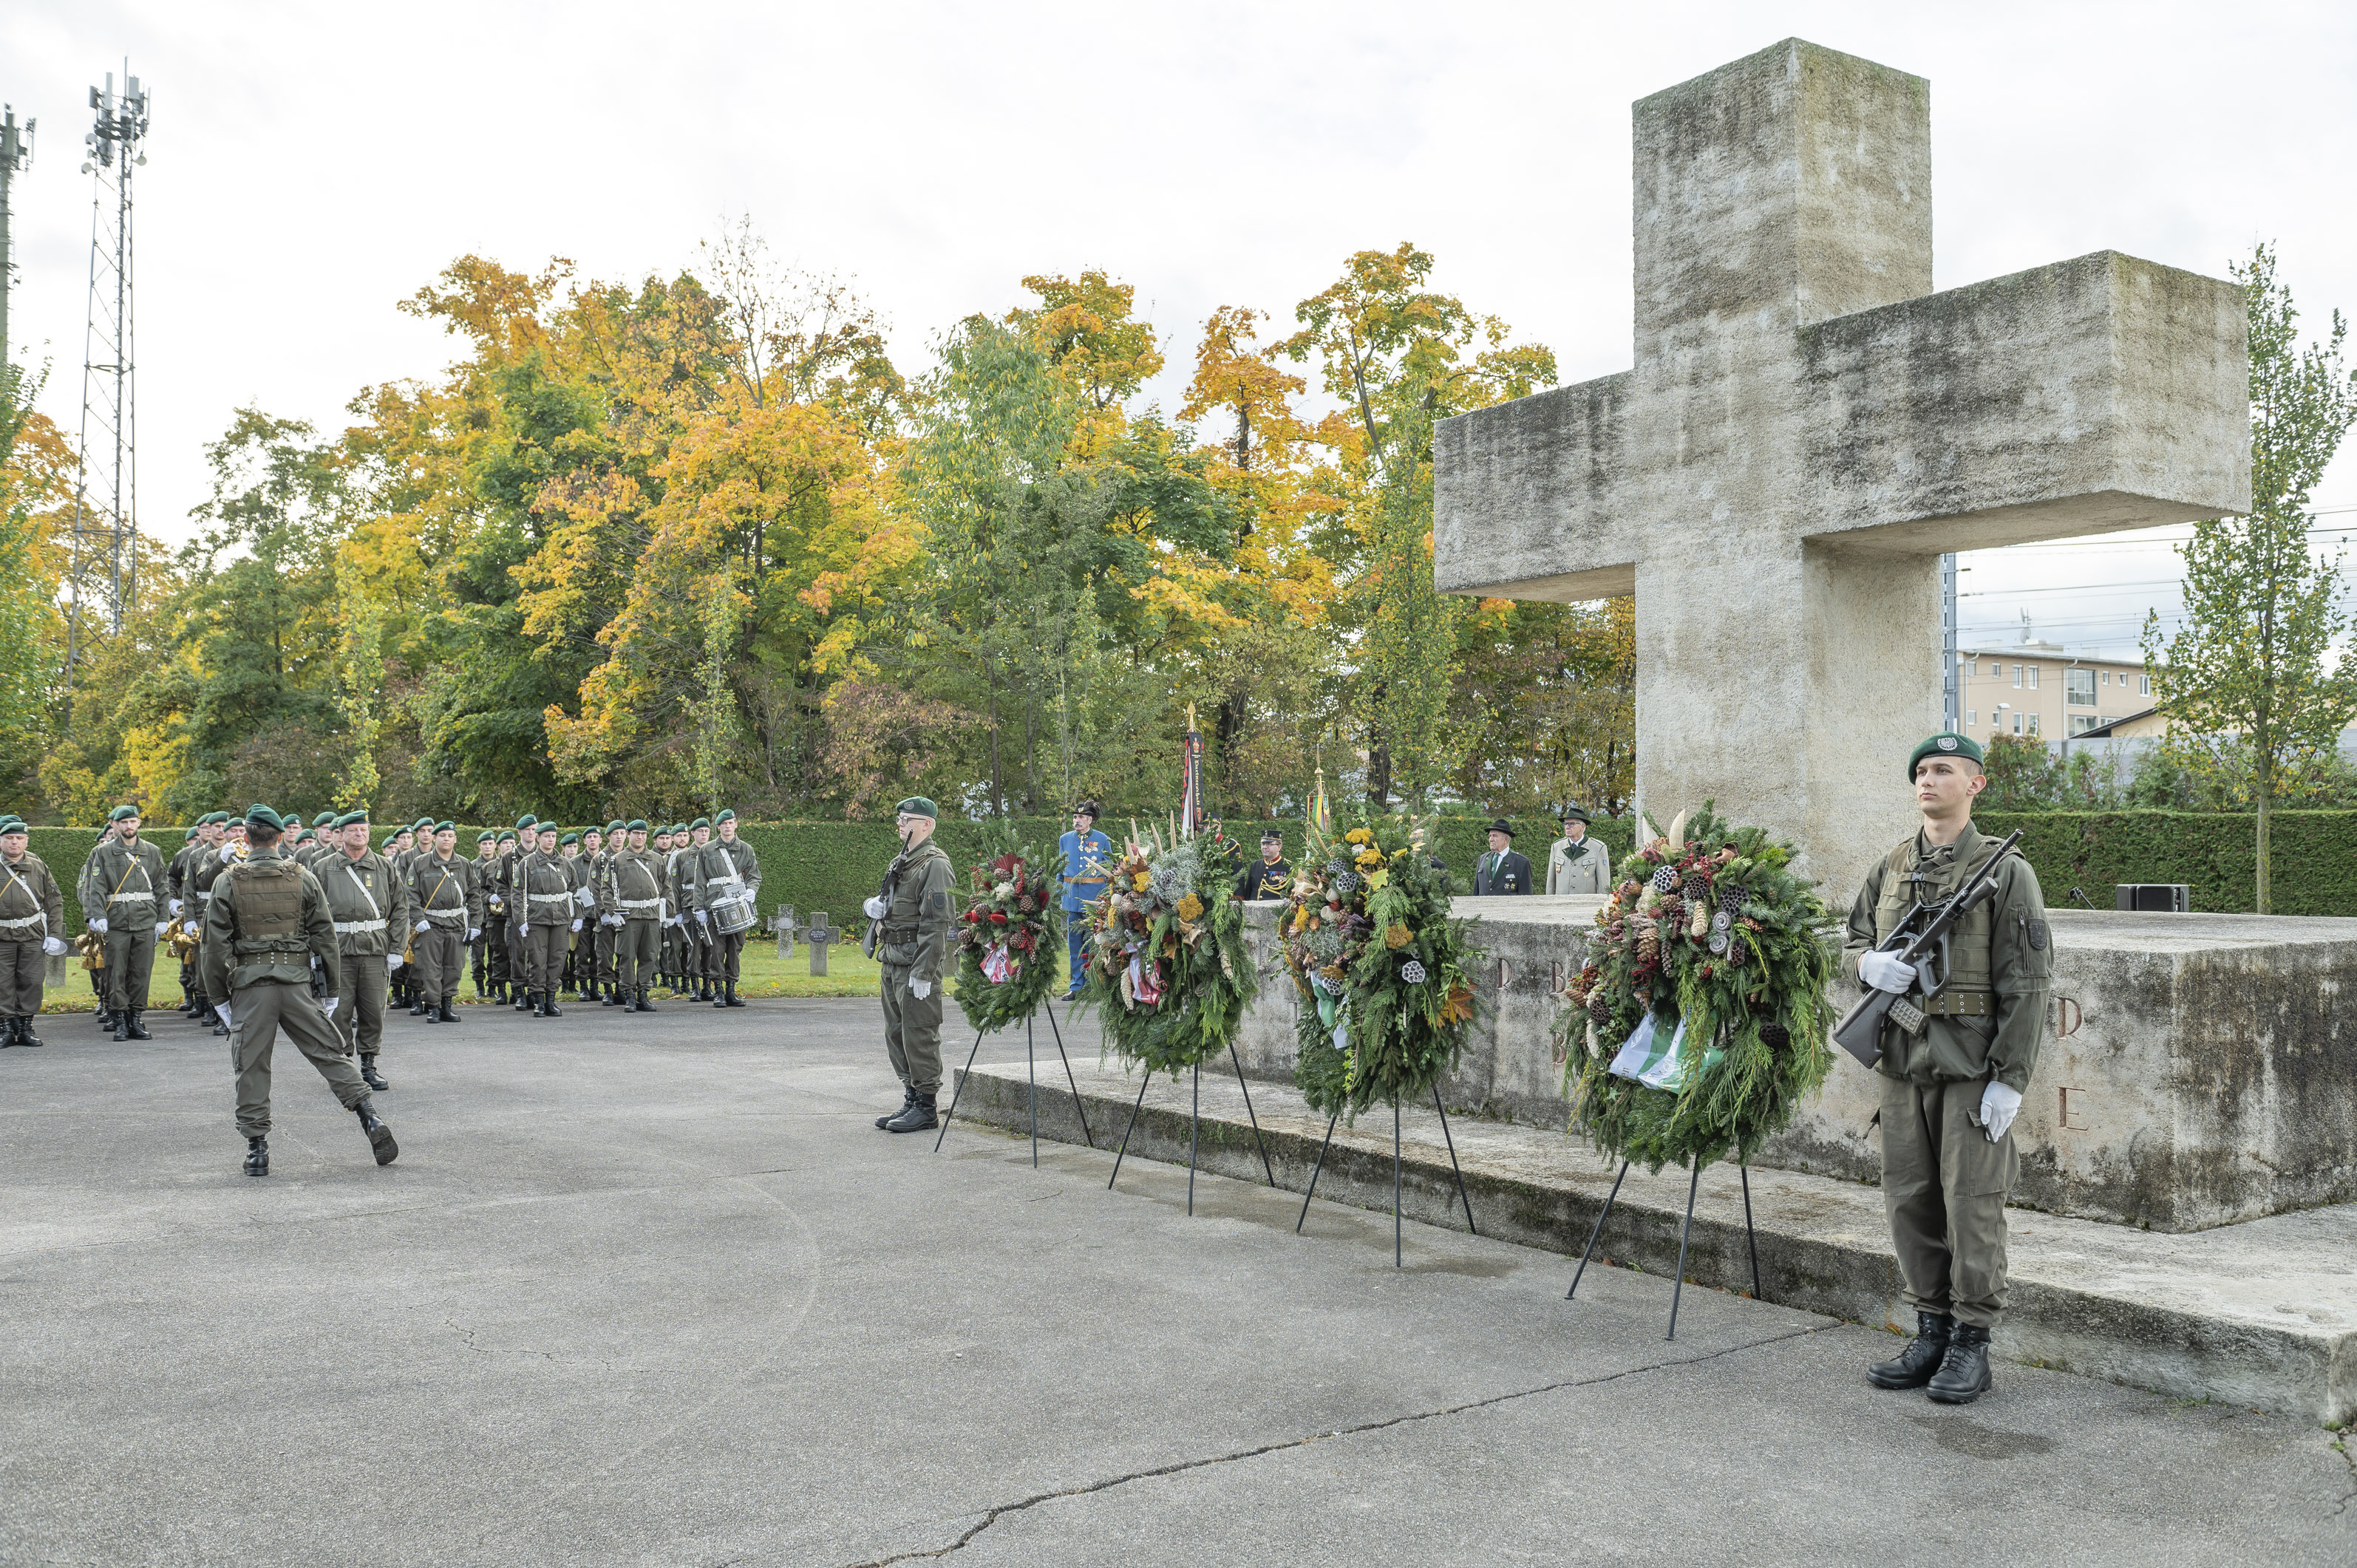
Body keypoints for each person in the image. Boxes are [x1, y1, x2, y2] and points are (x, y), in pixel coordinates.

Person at [1848, 731, 2050, 1407]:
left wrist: (2009, 1078)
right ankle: (1929, 1330)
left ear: (1975, 784)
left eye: (1943, 770)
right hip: (1902, 1063)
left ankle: (1971, 1342)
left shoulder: (2004, 870)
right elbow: (1847, 936)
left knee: (1972, 1209)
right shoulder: (1891, 865)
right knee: (1909, 1201)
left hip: (1969, 1068)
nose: (1927, 781)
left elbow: (2027, 982)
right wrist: (1861, 964)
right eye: (1920, 772)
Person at [202, 805, 395, 1177]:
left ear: (245, 837)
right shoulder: (303, 877)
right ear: (278, 837)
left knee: (252, 1065)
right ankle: (368, 1116)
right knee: (329, 1052)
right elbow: (325, 935)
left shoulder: (228, 880)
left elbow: (214, 946)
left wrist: (218, 998)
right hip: (296, 984)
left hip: (251, 986)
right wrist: (332, 990)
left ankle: (257, 1149)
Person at [864, 797, 956, 1132]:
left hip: (915, 966)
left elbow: (937, 923)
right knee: (896, 1034)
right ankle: (911, 1098)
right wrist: (873, 907)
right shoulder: (901, 861)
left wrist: (924, 972)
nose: (901, 825)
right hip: (892, 961)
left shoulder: (934, 864)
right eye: (900, 819)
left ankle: (927, 1108)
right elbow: (894, 905)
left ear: (927, 825)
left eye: (907, 820)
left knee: (919, 1034)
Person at [319, 809, 411, 1092]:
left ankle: (369, 1066)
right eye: (354, 830)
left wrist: (397, 948)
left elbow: (400, 909)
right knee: (339, 1013)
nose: (360, 835)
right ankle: (344, 1067)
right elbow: (310, 912)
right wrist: (315, 952)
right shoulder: (323, 868)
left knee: (373, 1012)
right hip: (338, 953)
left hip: (374, 950)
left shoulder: (384, 867)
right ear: (342, 834)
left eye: (364, 830)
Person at [80, 804, 170, 1040]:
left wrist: (163, 919)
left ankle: (136, 1019)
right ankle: (119, 1019)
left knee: (141, 972)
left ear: (139, 823)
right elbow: (96, 888)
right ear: (116, 825)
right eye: (124, 822)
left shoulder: (152, 851)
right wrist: (98, 916)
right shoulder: (104, 852)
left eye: (133, 821)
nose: (129, 826)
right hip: (117, 922)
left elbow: (162, 888)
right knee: (115, 973)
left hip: (145, 920)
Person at [0, 814, 67, 1046]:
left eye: (19, 838)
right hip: (2, 937)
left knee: (32, 981)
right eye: (9, 838)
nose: (14, 842)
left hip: (32, 935)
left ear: (26, 841)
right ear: (1, 841)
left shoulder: (38, 866)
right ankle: (6, 1028)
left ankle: (26, 1027)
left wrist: (55, 935)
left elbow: (54, 902)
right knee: (2, 983)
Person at [408, 820, 481, 1025]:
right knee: (431, 968)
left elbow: (474, 895)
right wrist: (418, 919)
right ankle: (432, 1007)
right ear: (434, 838)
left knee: (454, 966)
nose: (446, 839)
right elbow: (411, 895)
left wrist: (475, 923)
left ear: (455, 839)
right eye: (442, 836)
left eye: (450, 836)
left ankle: (447, 1006)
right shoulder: (420, 863)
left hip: (456, 923)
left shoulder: (464, 864)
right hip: (430, 923)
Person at [689, 808, 760, 1008]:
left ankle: (731, 990)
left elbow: (754, 875)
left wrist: (752, 890)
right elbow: (700, 881)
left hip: (738, 905)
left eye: (731, 823)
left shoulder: (746, 849)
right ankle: (719, 990)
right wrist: (699, 908)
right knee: (716, 949)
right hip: (714, 905)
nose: (728, 827)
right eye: (724, 824)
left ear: (736, 824)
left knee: (735, 947)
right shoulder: (707, 849)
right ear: (718, 827)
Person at [599, 819, 666, 1012]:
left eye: (643, 834)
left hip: (651, 916)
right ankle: (629, 994)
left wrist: (666, 912)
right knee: (626, 957)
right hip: (628, 917)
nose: (640, 837)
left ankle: (643, 994)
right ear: (628, 835)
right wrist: (612, 912)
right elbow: (606, 889)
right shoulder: (617, 860)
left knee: (649, 955)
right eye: (636, 833)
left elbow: (666, 888)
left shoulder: (656, 859)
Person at [516, 820, 578, 1018]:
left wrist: (579, 916)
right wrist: (521, 921)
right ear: (538, 838)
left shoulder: (565, 864)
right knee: (537, 960)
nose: (550, 840)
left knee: (557, 959)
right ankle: (539, 1001)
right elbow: (517, 894)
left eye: (553, 836)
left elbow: (575, 892)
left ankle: (551, 999)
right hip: (536, 918)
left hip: (560, 918)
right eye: (546, 836)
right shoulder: (526, 864)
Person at [1057, 801, 1112, 1000]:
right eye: (1075, 817)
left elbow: (1109, 872)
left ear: (1090, 820)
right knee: (1074, 945)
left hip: (1094, 900)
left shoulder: (1102, 839)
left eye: (1081, 817)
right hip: (1072, 900)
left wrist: (1107, 899)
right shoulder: (1065, 839)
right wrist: (1058, 893)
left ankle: (1092, 985)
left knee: (1093, 944)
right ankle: (1076, 986)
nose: (1077, 820)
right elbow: (1059, 870)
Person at [1545, 802, 1612, 896]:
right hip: (1561, 906)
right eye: (1565, 824)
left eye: (1571, 824)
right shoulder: (1557, 847)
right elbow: (1550, 884)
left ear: (1582, 827)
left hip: (1586, 906)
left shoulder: (1598, 848)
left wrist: (1602, 907)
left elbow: (1603, 885)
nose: (1567, 827)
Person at [469, 831, 499, 998]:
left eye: (490, 843)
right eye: (484, 844)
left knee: (495, 953)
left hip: (496, 917)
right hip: (479, 916)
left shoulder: (501, 864)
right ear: (479, 846)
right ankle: (480, 986)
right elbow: (471, 891)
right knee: (478, 954)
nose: (487, 847)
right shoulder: (472, 865)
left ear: (495, 845)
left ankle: (492, 986)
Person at [1472, 819, 1534, 896]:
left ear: (1506, 838)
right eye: (1490, 836)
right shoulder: (1483, 859)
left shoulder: (1521, 862)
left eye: (1495, 836)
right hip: (1484, 907)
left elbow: (1526, 898)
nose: (1491, 839)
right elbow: (1476, 893)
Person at [1234, 829, 1292, 901]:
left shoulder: (1288, 867)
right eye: (1263, 844)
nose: (1264, 847)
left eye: (1269, 844)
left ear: (1279, 847)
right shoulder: (1255, 865)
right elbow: (1248, 892)